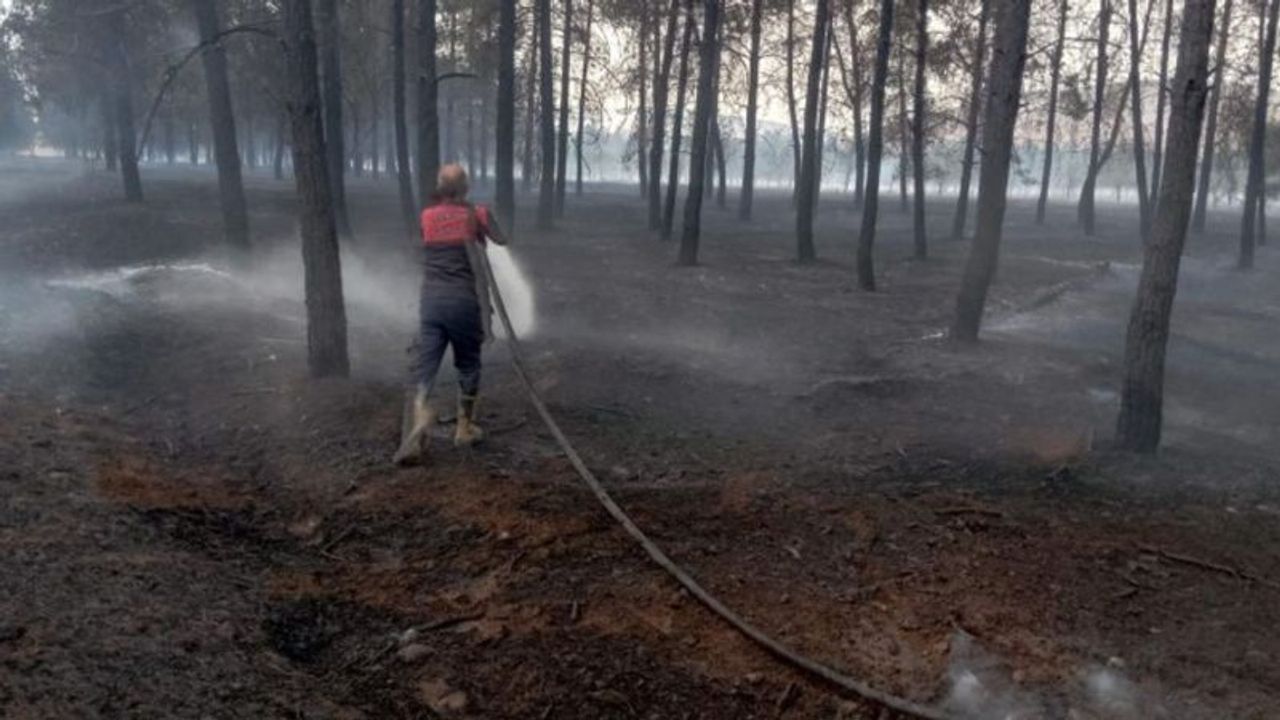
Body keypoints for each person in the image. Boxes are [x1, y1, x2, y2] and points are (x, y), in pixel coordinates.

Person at [394, 164, 510, 465]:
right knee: (468, 365)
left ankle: (416, 430)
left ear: (440, 187)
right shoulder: (477, 214)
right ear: (465, 187)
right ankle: (464, 428)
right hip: (463, 303)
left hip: (431, 303)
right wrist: (483, 216)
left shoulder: (427, 215)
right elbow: (502, 239)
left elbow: (429, 239)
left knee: (425, 368)